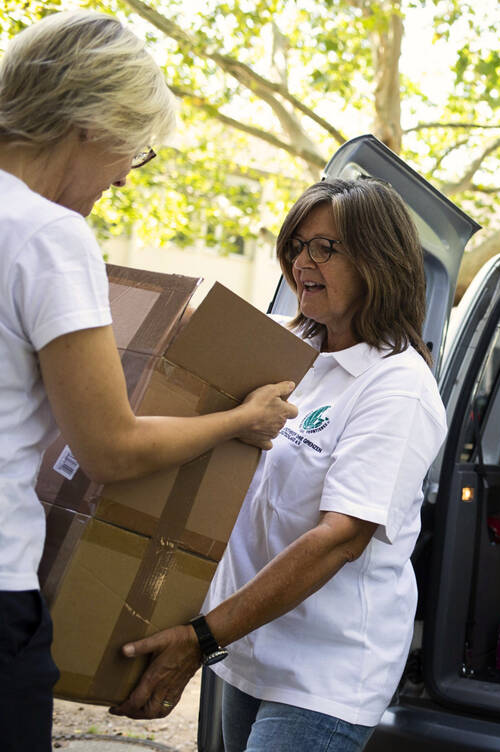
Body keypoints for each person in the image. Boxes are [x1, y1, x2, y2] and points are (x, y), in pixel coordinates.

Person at [0, 12, 297, 751]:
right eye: (134, 146)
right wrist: (238, 421)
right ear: (89, 123)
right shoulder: (45, 234)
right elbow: (110, 448)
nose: (129, 174)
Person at [110, 177, 448, 752]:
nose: (301, 262)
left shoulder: (397, 387)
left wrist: (199, 638)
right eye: (296, 244)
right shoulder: (289, 350)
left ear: (378, 261)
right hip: (245, 645)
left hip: (324, 671)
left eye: (325, 247)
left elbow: (339, 539)